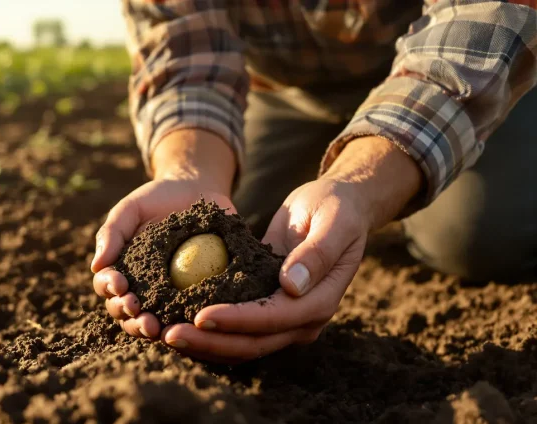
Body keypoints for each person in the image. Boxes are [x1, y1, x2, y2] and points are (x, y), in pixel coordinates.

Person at [91, 1, 537, 364]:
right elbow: (181, 49)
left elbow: (482, 20)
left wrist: (357, 187)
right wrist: (189, 174)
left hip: (462, 67)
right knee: (245, 218)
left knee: (478, 236)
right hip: (287, 92)